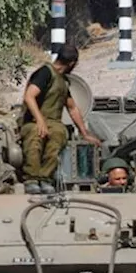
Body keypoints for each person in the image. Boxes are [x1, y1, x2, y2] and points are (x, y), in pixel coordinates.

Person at [20, 44, 101, 194]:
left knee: (59, 133)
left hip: (54, 122)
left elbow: (72, 107)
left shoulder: (62, 81)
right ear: (72, 63)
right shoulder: (45, 73)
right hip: (33, 121)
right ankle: (31, 178)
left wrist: (84, 133)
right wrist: (40, 120)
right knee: (35, 136)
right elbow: (29, 96)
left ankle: (45, 178)